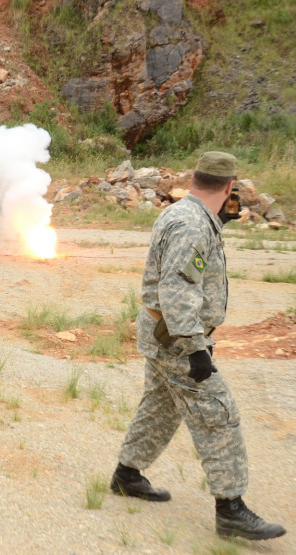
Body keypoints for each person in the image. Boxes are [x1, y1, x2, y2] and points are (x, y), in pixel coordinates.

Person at [110, 151, 286, 541]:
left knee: (160, 405)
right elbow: (177, 290)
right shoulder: (192, 225)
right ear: (228, 186)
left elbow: (183, 274)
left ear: (195, 181)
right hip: (177, 339)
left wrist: (217, 223)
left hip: (163, 333)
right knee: (218, 415)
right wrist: (195, 349)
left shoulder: (187, 214)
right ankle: (231, 509)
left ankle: (127, 474)